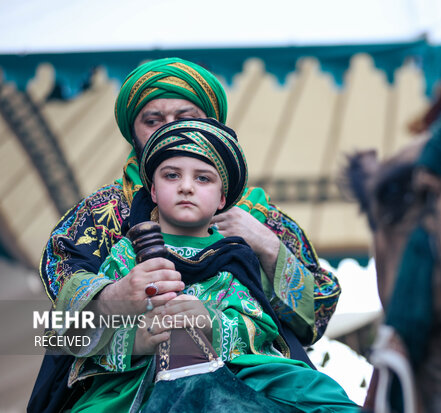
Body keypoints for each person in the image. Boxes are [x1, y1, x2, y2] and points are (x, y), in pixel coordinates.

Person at [30, 58, 341, 412]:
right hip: (125, 378)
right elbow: (58, 328)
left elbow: (319, 311)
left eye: (186, 116)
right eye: (152, 120)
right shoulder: (98, 214)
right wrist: (119, 301)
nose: (171, 128)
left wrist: (267, 245)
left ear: (212, 123)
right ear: (134, 133)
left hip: (254, 373)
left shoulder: (260, 217)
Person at [67, 118, 358, 412]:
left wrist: (210, 322)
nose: (186, 187)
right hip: (139, 377)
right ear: (153, 191)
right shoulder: (125, 255)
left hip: (235, 367)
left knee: (319, 392)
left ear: (222, 199)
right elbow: (77, 333)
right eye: (171, 176)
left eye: (203, 178)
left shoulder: (236, 255)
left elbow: (259, 326)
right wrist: (135, 341)